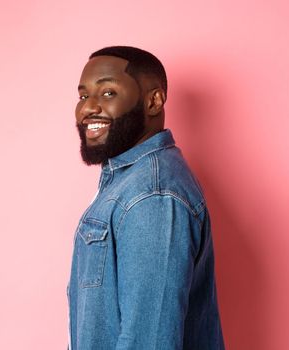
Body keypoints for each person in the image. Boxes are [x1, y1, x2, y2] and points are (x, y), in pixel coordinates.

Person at [67, 46, 225, 349]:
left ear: (153, 101)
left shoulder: (153, 194)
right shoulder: (129, 182)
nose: (88, 108)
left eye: (108, 93)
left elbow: (150, 341)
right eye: (84, 96)